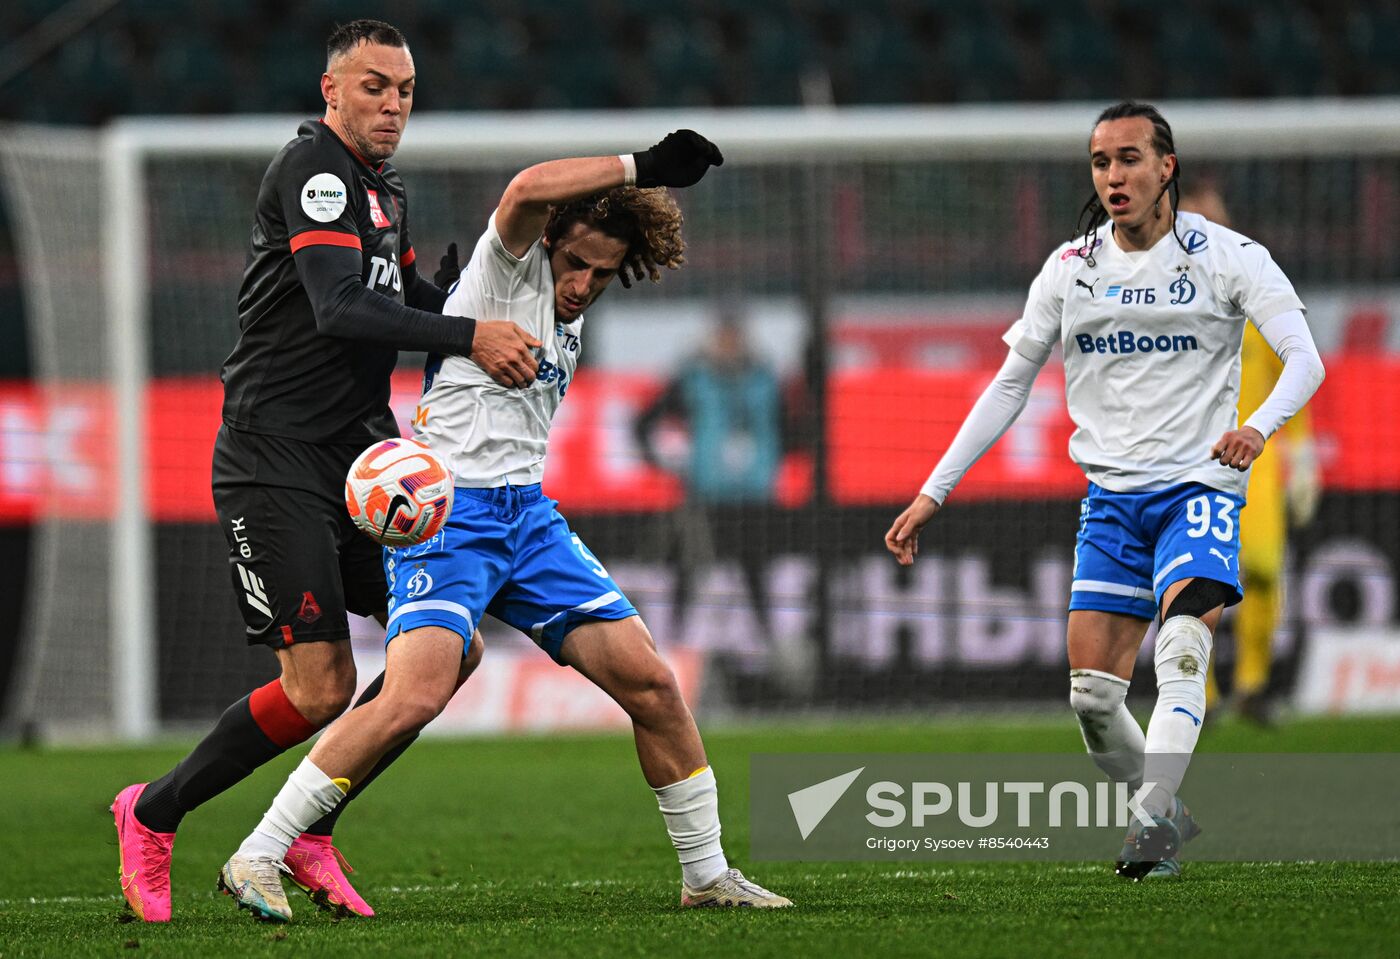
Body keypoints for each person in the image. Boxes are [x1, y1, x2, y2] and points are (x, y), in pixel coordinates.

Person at [216, 129, 791, 922]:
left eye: (602, 273)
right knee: (414, 696)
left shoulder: (569, 308)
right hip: (450, 516)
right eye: (575, 263)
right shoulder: (508, 266)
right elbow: (524, 190)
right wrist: (643, 169)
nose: (583, 283)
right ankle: (258, 851)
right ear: (548, 242)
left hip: (530, 518)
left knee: (653, 684)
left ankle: (707, 873)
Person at [111, 19, 540, 923]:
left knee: (448, 651)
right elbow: (339, 307)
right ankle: (152, 811)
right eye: (374, 86)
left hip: (363, 463)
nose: (393, 105)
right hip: (274, 458)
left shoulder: (384, 190)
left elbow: (400, 295)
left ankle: (311, 828)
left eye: (406, 90)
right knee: (320, 688)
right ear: (331, 90)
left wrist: (462, 302)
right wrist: (468, 333)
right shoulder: (315, 171)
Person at [884, 101, 1325, 880]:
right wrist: (933, 491)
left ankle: (1152, 825)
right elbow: (1010, 384)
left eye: (1129, 158)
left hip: (1199, 485)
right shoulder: (1070, 268)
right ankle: (1165, 817)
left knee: (1184, 644)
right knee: (1091, 698)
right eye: (1100, 161)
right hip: (1113, 501)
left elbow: (1305, 360)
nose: (1113, 176)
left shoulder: (1228, 257)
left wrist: (1257, 429)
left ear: (1166, 166)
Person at [1178, 182, 1322, 726]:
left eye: (1213, 217)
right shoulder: (1162, 296)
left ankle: (1253, 686)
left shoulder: (1257, 284)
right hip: (1191, 458)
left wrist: (1302, 456)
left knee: (1261, 568)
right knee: (1198, 577)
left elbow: (1293, 370)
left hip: (1257, 457)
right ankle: (1202, 691)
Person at [632, 313, 783, 646]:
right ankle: (671, 646)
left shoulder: (764, 379)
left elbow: (790, 426)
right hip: (706, 499)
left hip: (753, 499)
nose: (729, 344)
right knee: (688, 573)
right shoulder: (694, 379)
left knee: (757, 576)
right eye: (723, 336)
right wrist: (665, 463)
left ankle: (769, 648)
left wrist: (771, 463)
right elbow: (644, 422)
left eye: (734, 335)